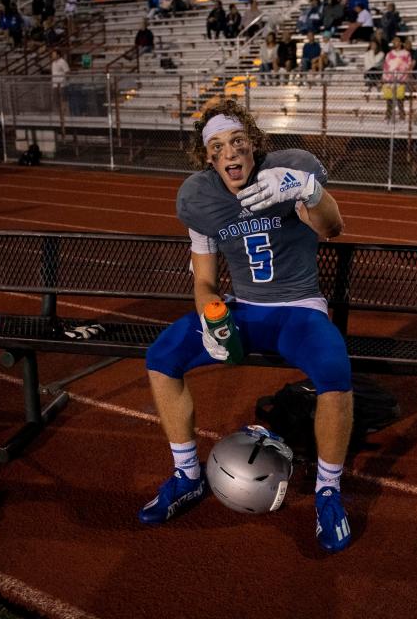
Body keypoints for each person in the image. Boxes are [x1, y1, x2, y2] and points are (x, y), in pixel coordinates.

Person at [138, 98, 355, 554]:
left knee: (335, 373)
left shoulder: (288, 172)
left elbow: (332, 228)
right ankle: (187, 475)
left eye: (238, 141)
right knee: (161, 356)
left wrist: (309, 191)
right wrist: (211, 316)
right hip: (243, 308)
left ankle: (328, 491)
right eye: (218, 146)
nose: (230, 152)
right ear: (209, 158)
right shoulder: (200, 200)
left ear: (253, 144)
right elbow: (204, 280)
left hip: (300, 309)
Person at [382, 35, 412, 121]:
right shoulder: (389, 54)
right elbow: (385, 66)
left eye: (397, 40)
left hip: (401, 79)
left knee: (400, 99)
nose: (395, 42)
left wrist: (405, 76)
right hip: (390, 79)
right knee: (389, 100)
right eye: (394, 41)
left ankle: (402, 117)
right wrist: (384, 77)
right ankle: (388, 116)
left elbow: (408, 65)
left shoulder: (406, 53)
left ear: (401, 43)